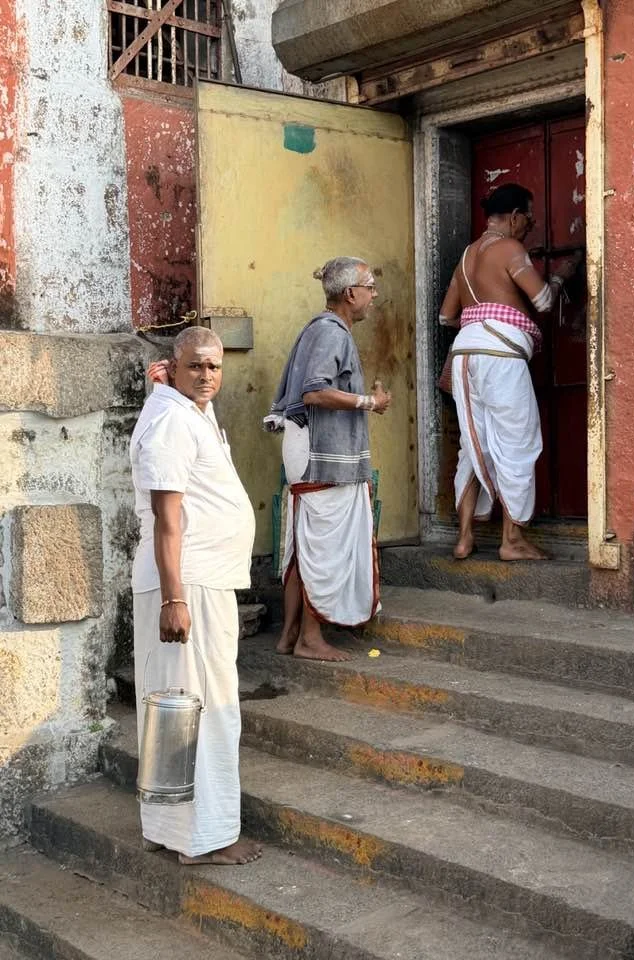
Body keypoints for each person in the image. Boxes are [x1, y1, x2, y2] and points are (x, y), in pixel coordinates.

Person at [130, 326, 260, 866]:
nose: (207, 376)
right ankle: (205, 839)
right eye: (195, 367)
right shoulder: (170, 421)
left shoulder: (181, 411)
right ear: (175, 366)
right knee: (203, 708)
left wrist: (160, 387)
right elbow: (168, 521)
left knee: (173, 709)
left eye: (214, 367)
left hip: (197, 581)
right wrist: (174, 598)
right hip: (189, 585)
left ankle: (169, 828)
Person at [439, 182, 580, 562]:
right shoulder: (510, 248)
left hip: (464, 354)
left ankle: (464, 538)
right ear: (515, 216)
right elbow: (543, 301)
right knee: (516, 443)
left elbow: (446, 316)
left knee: (473, 446)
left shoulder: (467, 255)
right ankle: (512, 540)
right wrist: (561, 275)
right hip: (499, 356)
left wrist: (483, 311)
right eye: (529, 218)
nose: (530, 225)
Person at [264, 257, 391, 662]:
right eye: (370, 287)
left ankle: (289, 636)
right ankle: (309, 639)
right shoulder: (332, 332)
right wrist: (370, 401)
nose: (374, 296)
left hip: (307, 447)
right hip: (319, 453)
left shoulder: (322, 329)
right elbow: (315, 392)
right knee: (323, 543)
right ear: (350, 293)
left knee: (307, 542)